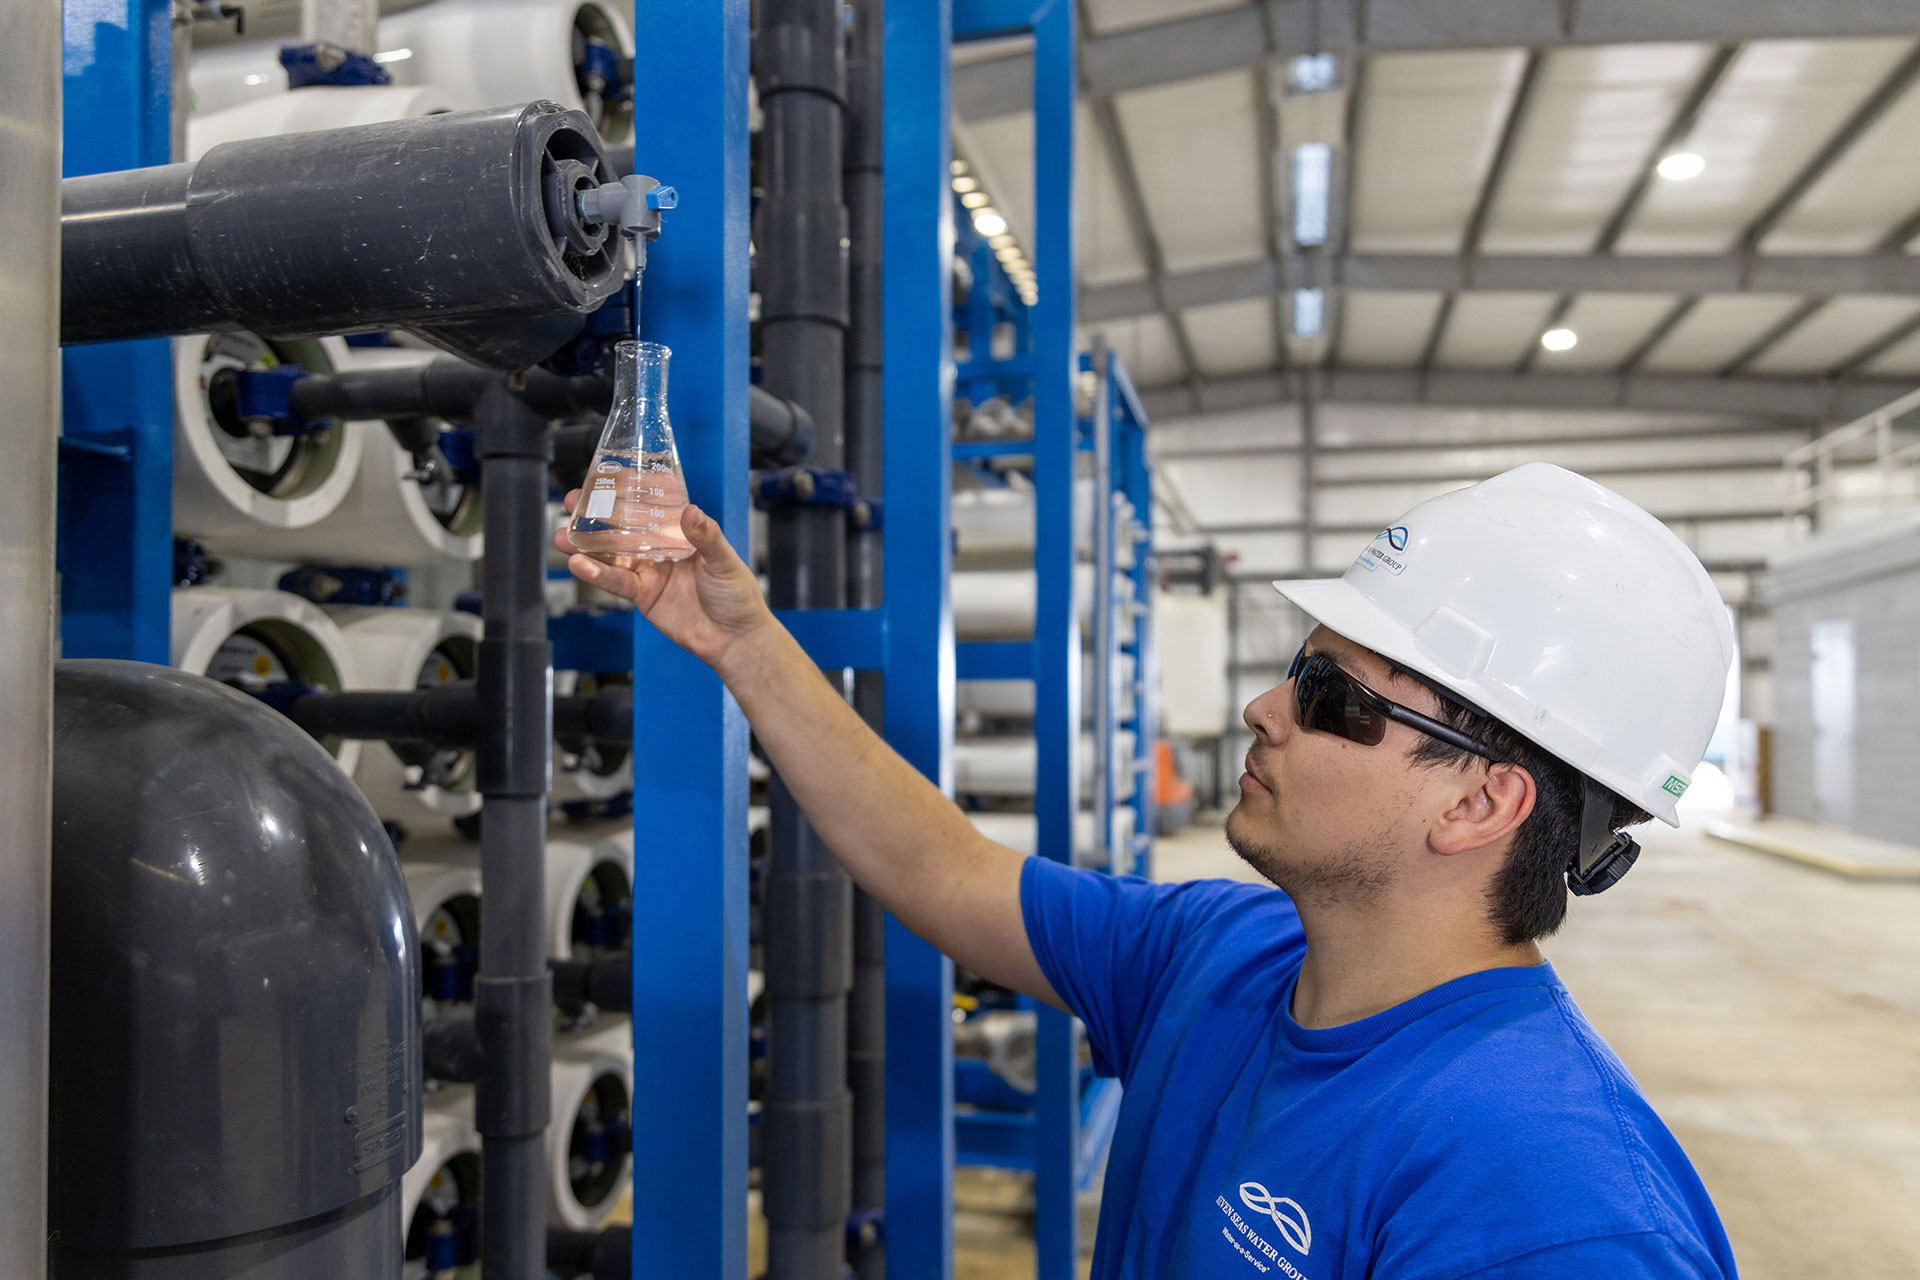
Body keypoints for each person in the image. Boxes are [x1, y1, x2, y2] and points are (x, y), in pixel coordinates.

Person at [559, 462, 1740, 1279]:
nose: (1262, 707)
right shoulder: (1222, 954)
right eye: (1296, 667)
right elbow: (946, 868)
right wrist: (742, 639)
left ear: (1481, 799)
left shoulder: (1551, 1197)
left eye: (1331, 698)